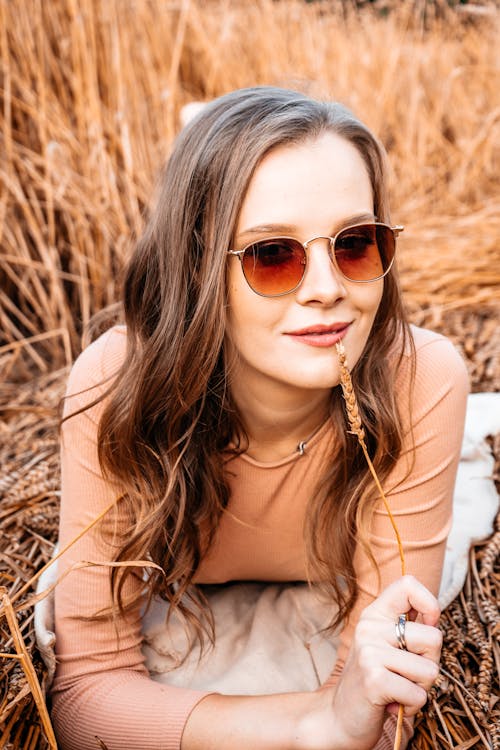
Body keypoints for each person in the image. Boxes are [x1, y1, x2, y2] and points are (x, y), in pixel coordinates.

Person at [50, 86, 469, 750]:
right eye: (273, 254)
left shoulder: (421, 382)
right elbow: (84, 694)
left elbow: (384, 697)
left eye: (356, 244)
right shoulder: (115, 390)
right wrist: (316, 723)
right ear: (194, 267)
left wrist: (354, 710)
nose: (329, 287)